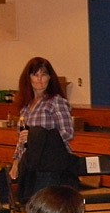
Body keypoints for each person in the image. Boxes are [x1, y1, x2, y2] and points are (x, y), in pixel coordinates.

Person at [9, 57, 75, 193]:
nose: (39, 79)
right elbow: (22, 139)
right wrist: (16, 161)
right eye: (35, 74)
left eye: (44, 74)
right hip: (32, 163)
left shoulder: (56, 102)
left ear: (50, 78)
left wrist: (37, 137)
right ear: (29, 78)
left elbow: (68, 132)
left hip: (51, 164)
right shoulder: (26, 107)